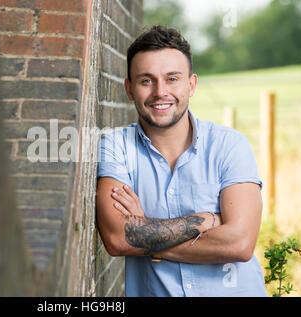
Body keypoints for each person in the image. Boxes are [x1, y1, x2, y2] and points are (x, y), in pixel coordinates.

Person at [96, 25, 267, 297]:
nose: (160, 92)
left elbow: (240, 244)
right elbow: (118, 239)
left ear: (191, 84)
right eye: (146, 80)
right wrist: (202, 221)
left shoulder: (229, 146)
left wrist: (146, 234)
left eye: (172, 79)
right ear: (129, 89)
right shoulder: (115, 147)